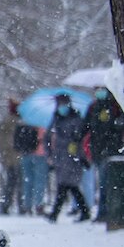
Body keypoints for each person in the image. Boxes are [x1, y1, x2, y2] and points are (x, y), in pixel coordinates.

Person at [46, 92, 89, 222]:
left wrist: (79, 153)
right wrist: (50, 155)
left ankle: (55, 214)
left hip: (72, 157)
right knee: (68, 186)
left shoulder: (75, 119)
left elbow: (79, 137)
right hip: (60, 158)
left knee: (66, 186)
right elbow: (48, 138)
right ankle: (83, 211)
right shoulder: (55, 119)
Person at [84, 85, 124, 222]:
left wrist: (113, 122)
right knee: (103, 183)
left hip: (113, 151)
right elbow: (86, 126)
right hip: (98, 150)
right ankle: (104, 212)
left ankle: (109, 212)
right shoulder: (93, 107)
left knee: (108, 183)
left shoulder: (115, 106)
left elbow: (119, 125)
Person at [0, 98, 23, 215]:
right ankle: (8, 205)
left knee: (14, 182)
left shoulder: (15, 120)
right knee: (13, 182)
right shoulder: (10, 121)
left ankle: (12, 205)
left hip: (14, 156)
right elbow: (3, 140)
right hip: (12, 157)